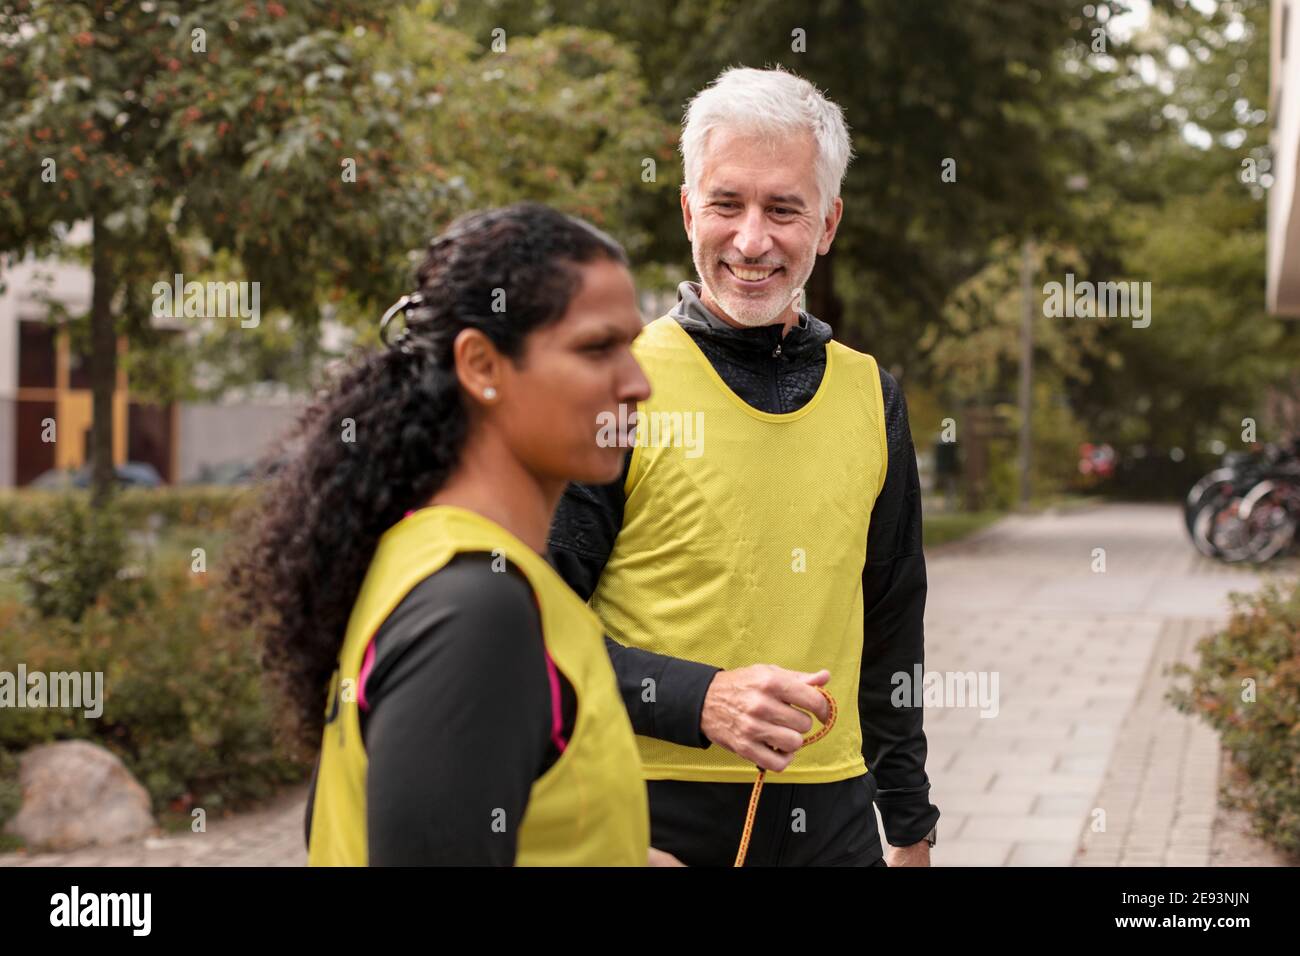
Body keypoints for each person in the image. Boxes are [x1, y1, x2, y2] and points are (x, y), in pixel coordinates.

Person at [547, 67, 940, 866]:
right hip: (642, 809)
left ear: (827, 224)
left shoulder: (873, 395)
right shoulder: (616, 386)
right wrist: (702, 698)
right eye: (726, 204)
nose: (751, 240)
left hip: (834, 813)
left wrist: (910, 824)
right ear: (689, 209)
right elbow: (530, 625)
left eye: (784, 209)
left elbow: (893, 626)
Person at [231, 202, 671, 866]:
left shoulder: (433, 556)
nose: (637, 384)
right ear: (482, 366)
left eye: (633, 347)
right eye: (597, 348)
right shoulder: (474, 610)